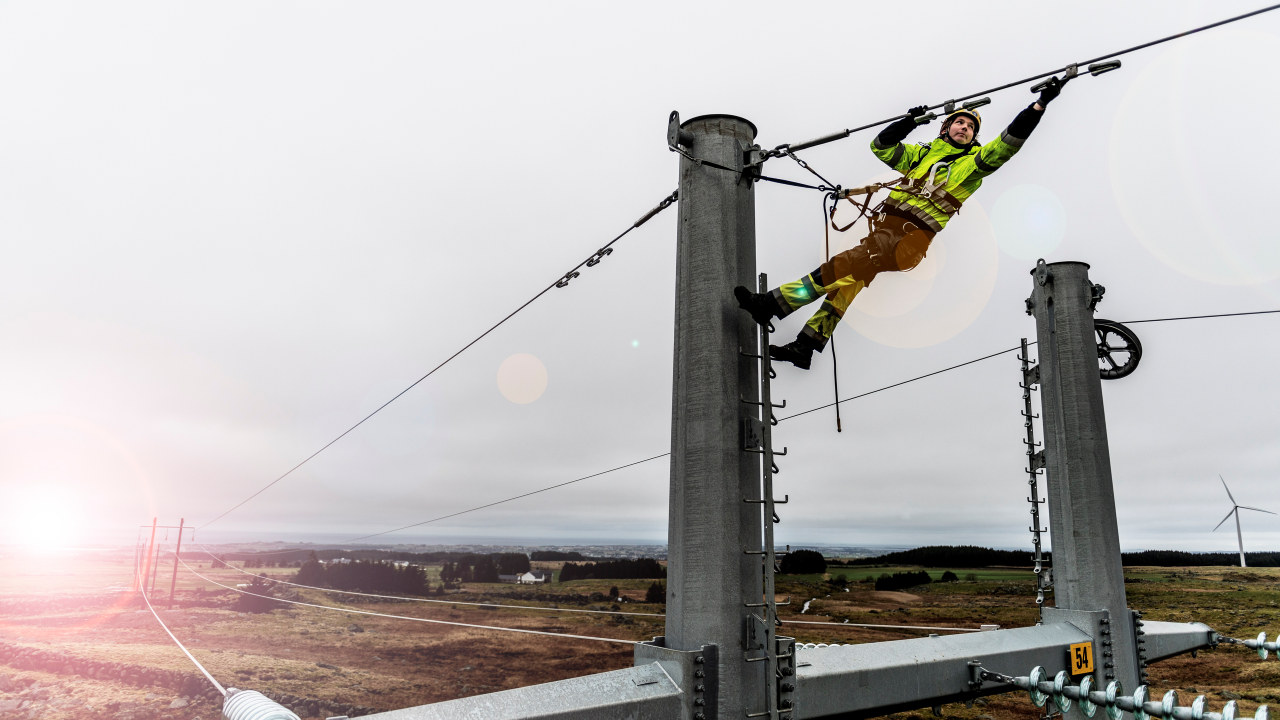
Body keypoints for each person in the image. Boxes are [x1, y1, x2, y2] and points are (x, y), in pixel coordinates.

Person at [735, 78, 1068, 369]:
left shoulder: (975, 163)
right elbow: (881, 146)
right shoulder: (922, 155)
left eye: (970, 127)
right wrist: (908, 121)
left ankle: (773, 304)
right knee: (845, 284)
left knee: (838, 267)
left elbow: (1008, 143)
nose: (964, 128)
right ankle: (805, 346)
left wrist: (1038, 105)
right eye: (959, 123)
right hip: (886, 233)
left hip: (907, 241)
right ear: (945, 128)